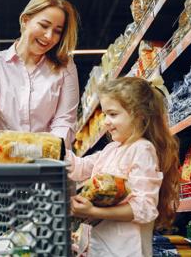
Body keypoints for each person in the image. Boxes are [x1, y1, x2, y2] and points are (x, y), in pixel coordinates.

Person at [67, 77, 180, 257]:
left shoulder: (142, 149)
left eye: (112, 114)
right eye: (104, 114)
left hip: (125, 250)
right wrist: (49, 147)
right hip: (99, 247)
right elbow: (79, 167)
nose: (105, 122)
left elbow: (144, 208)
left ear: (139, 115)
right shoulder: (111, 149)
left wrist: (92, 211)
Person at [0, 0, 79, 150]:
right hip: (1, 157)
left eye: (57, 31)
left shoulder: (65, 67)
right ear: (25, 20)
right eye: (44, 25)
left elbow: (65, 120)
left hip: (46, 162)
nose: (49, 36)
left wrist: (48, 150)